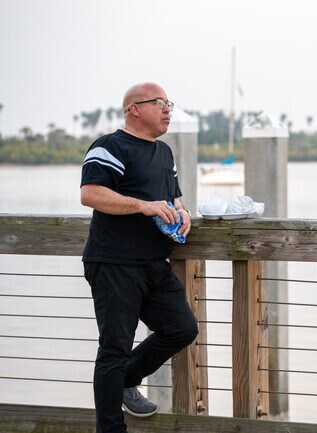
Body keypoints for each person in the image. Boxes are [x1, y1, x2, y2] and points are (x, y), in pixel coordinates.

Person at [80, 82, 198, 433]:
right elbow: (91, 194)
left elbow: (171, 198)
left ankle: (125, 381)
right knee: (114, 350)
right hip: (113, 262)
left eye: (169, 104)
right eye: (159, 103)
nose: (167, 110)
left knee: (181, 328)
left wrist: (183, 211)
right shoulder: (110, 145)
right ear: (134, 109)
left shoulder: (163, 152)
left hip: (153, 262)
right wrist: (143, 206)